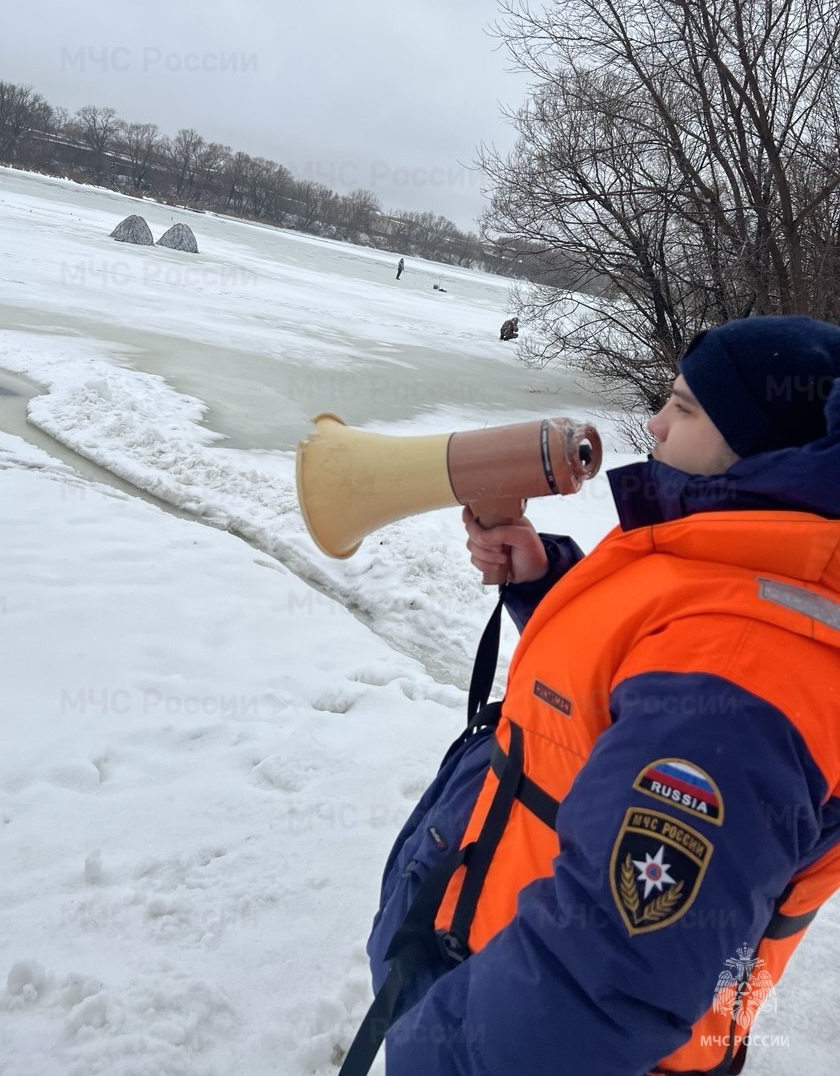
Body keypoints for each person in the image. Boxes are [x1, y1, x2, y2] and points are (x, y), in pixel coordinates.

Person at [350, 315, 840, 1076]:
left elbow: (603, 978)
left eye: (684, 407)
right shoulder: (734, 552)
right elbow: (639, 666)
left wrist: (441, 1052)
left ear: (762, 446)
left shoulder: (744, 668)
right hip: (475, 946)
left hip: (500, 1015)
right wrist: (545, 580)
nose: (655, 423)